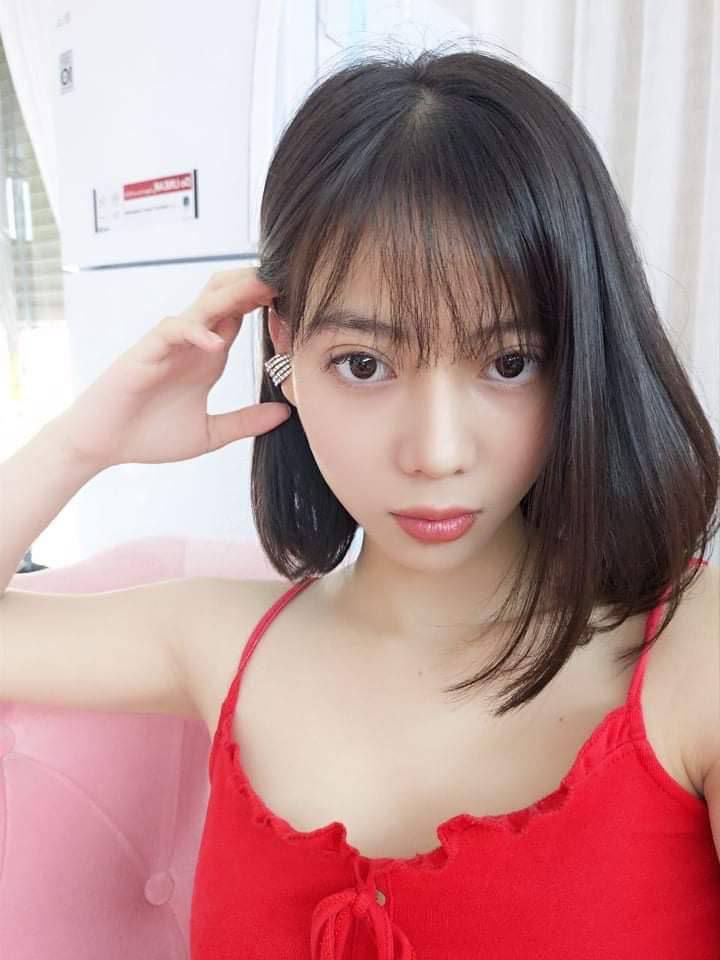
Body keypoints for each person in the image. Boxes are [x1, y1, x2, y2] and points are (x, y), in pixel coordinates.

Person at [1, 44, 719, 959]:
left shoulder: (693, 651)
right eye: (366, 365)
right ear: (285, 347)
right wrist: (84, 440)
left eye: (508, 362)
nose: (436, 453)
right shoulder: (217, 642)